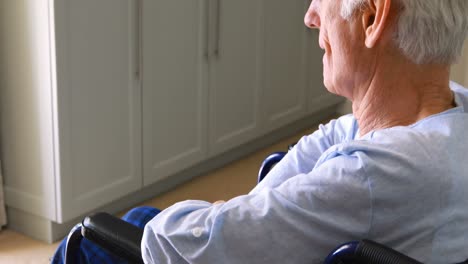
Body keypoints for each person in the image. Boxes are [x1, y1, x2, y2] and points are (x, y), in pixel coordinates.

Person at [52, 0, 468, 263]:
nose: (309, 16)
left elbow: (182, 246)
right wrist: (257, 207)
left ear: (373, 17)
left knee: (103, 236)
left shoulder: (368, 178)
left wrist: (231, 214)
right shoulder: (451, 113)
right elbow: (339, 132)